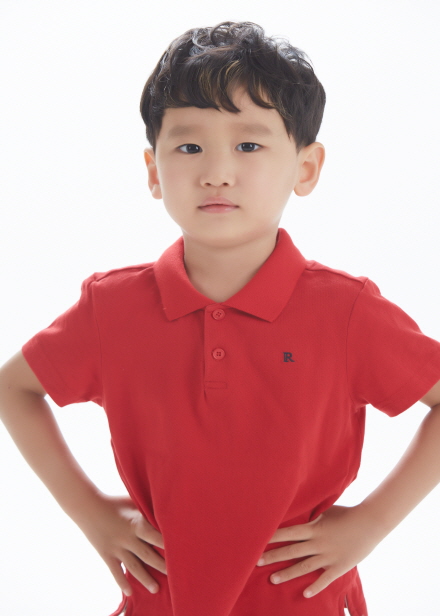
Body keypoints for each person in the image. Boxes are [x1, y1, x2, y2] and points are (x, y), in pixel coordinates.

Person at [1, 20, 440, 616]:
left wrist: (370, 525)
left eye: (248, 146)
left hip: (302, 599)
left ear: (306, 168)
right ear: (153, 170)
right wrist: (93, 515)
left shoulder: (346, 311)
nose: (216, 172)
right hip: (162, 599)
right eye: (189, 147)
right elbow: (14, 388)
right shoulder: (112, 307)